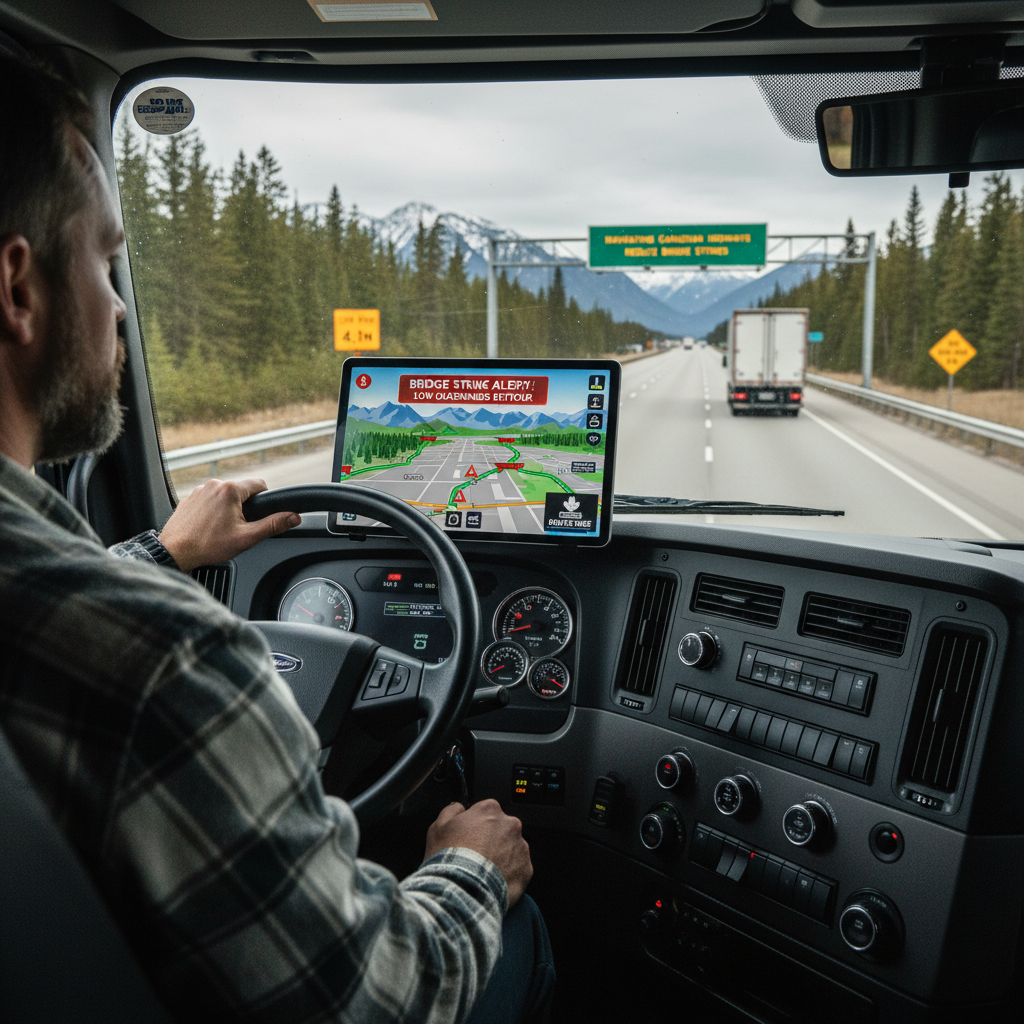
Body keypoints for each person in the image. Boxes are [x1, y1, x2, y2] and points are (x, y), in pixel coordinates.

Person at [0, 51, 552, 1024]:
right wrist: (465, 864)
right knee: (525, 922)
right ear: (18, 287)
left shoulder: (87, 621)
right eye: (104, 258)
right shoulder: (167, 664)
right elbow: (385, 993)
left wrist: (161, 557)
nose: (120, 303)